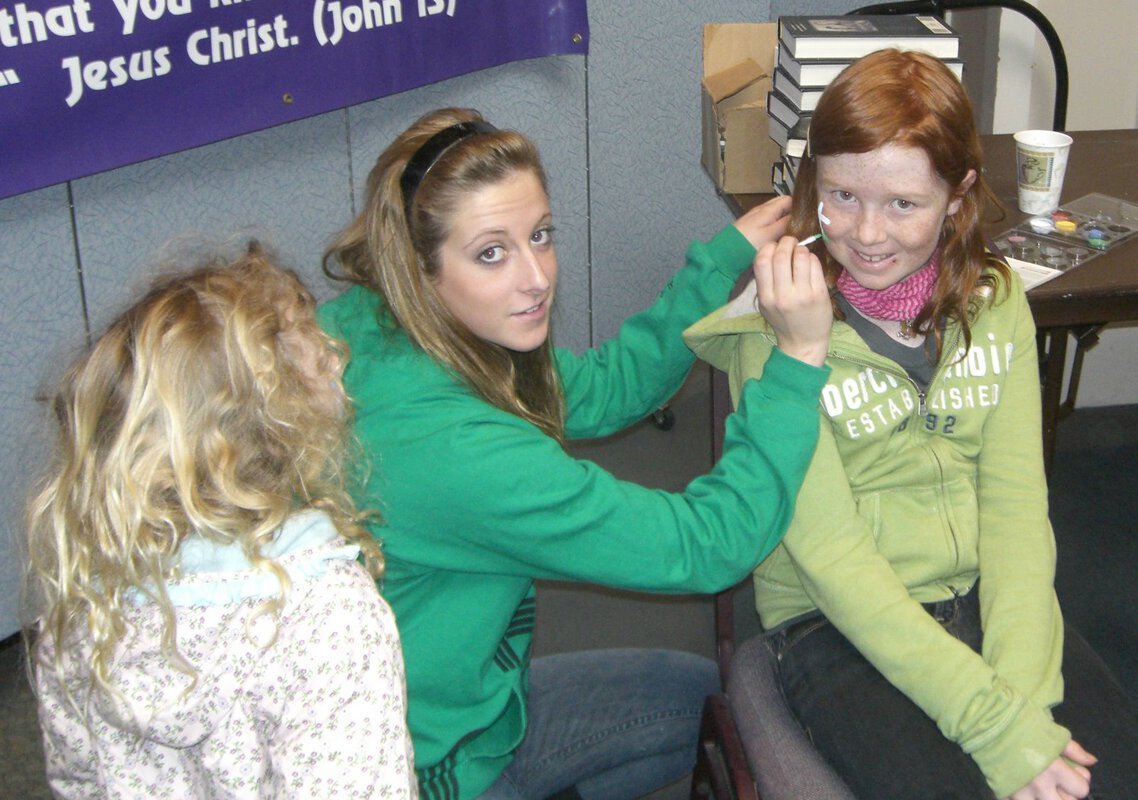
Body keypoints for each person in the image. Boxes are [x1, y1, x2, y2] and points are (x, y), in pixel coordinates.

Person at [318, 106, 833, 800]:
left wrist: (722, 259)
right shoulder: (463, 454)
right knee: (734, 711)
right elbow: (707, 545)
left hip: (461, 697)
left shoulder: (378, 325)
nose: (536, 278)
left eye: (540, 235)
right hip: (424, 767)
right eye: (492, 253)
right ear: (418, 267)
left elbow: (609, 386)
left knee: (707, 702)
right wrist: (797, 364)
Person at [685, 49, 1138, 800]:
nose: (867, 233)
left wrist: (1023, 703)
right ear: (813, 184)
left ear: (958, 197)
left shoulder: (997, 303)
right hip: (834, 625)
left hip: (982, 593)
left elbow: (1017, 509)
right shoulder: (778, 333)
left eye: (903, 203)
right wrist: (991, 722)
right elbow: (832, 558)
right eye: (842, 195)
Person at [26, 245, 417, 798]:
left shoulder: (87, 604)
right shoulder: (327, 614)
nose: (335, 356)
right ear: (283, 422)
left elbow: (78, 782)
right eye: (312, 343)